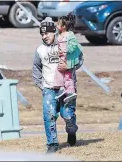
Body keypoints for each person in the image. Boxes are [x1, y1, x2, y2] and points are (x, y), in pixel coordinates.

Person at [32, 17, 83, 153]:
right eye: (42, 34)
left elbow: (80, 58)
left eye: (47, 33)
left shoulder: (64, 42)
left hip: (66, 88)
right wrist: (42, 86)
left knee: (67, 114)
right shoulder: (40, 50)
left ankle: (71, 131)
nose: (44, 36)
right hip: (49, 89)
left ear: (54, 32)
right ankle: (52, 144)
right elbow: (36, 69)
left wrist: (69, 65)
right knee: (49, 115)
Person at [54, 13, 83, 103]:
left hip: (68, 59)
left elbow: (74, 45)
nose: (56, 25)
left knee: (68, 75)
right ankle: (63, 88)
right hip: (61, 58)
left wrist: (67, 50)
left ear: (63, 26)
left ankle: (71, 91)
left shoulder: (69, 35)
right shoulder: (58, 35)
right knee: (60, 73)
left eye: (58, 24)